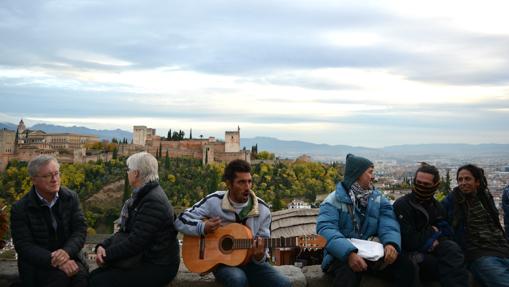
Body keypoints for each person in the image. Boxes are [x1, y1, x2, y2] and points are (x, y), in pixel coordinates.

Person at [175, 159, 291, 287]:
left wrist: (259, 256)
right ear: (229, 184)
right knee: (237, 280)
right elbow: (180, 219)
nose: (247, 187)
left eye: (249, 181)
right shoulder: (214, 201)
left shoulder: (263, 210)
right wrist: (203, 227)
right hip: (221, 262)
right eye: (241, 182)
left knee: (283, 284)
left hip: (252, 264)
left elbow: (264, 248)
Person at [316, 154, 415, 287]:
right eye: (370, 172)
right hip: (341, 256)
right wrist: (349, 254)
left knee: (406, 266)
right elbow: (325, 231)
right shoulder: (332, 202)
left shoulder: (377, 198)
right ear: (357, 175)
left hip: (372, 253)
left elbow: (388, 222)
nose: (373, 177)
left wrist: (390, 243)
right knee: (347, 274)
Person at [89, 152, 180, 287]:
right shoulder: (143, 195)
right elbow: (125, 231)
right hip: (146, 259)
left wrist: (106, 255)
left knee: (97, 281)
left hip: (158, 266)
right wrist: (103, 245)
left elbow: (136, 242)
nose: (127, 173)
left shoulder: (153, 202)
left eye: (128, 170)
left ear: (136, 173)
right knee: (93, 277)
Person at [10, 155, 88, 287]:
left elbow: (80, 230)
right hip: (38, 264)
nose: (55, 179)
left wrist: (66, 252)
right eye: (47, 176)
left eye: (56, 173)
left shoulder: (70, 197)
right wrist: (56, 260)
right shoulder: (20, 208)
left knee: (80, 277)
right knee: (59, 279)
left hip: (69, 256)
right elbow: (24, 246)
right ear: (34, 180)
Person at [393, 163, 468, 286]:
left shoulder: (437, 207)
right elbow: (408, 240)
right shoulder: (402, 205)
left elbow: (446, 232)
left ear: (435, 186)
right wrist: (432, 232)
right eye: (419, 183)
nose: (421, 187)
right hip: (411, 255)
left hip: (436, 250)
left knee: (452, 250)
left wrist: (436, 237)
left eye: (426, 185)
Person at [443, 164, 509, 287]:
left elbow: (494, 224)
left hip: (502, 249)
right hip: (479, 254)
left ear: (477, 182)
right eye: (460, 179)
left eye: (467, 179)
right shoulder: (452, 200)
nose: (463, 183)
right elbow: (439, 219)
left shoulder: (485, 198)